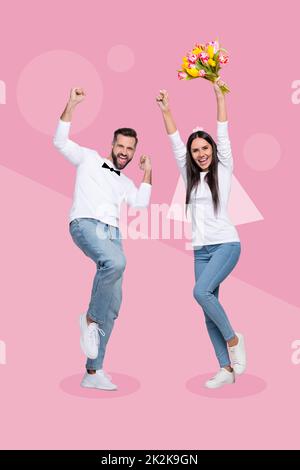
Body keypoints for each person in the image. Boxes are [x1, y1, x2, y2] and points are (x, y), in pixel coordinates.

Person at [53, 88, 152, 391]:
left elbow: (141, 204)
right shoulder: (89, 158)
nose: (124, 151)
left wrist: (148, 171)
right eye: (120, 145)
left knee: (113, 305)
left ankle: (93, 372)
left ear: (134, 151)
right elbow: (60, 142)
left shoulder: (125, 182)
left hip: (112, 234)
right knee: (115, 261)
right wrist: (70, 105)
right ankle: (89, 321)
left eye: (130, 148)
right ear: (112, 145)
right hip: (85, 224)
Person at [156, 81, 246, 389]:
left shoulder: (224, 169)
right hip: (200, 250)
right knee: (207, 310)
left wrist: (219, 97)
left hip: (226, 244)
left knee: (201, 293)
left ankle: (234, 340)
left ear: (212, 150)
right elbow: (173, 142)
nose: (200, 154)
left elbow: (223, 130)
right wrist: (166, 110)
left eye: (205, 148)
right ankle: (226, 369)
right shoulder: (189, 176)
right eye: (195, 151)